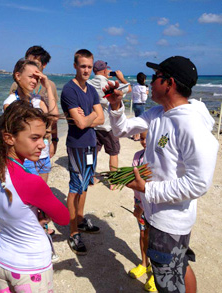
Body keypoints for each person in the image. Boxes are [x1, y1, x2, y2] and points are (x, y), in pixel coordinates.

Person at [106, 56, 219, 293]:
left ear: (169, 83)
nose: (149, 82)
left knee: (167, 280)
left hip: (171, 221)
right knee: (179, 264)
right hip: (155, 212)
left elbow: (199, 183)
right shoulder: (158, 113)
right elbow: (121, 130)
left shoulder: (190, 125)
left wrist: (147, 189)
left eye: (156, 77)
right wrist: (116, 106)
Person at [0, 101, 70, 292]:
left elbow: (13, 212)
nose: (42, 145)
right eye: (34, 138)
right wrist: (44, 214)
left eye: (44, 137)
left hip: (1, 262)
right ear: (9, 138)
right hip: (31, 268)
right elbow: (64, 218)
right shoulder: (32, 182)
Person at [61, 49, 104, 255]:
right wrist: (90, 117)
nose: (86, 70)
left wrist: (86, 117)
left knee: (86, 184)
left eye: (89, 66)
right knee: (75, 187)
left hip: (90, 143)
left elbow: (102, 118)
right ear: (75, 66)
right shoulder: (70, 90)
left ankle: (80, 219)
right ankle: (73, 232)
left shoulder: (91, 89)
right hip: (77, 145)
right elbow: (78, 124)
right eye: (83, 66)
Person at [4, 58, 58, 184]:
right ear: (18, 76)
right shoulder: (10, 103)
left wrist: (48, 88)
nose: (34, 81)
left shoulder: (36, 100)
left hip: (42, 154)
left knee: (42, 190)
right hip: (25, 157)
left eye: (36, 78)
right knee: (30, 194)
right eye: (31, 77)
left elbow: (54, 117)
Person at [10, 46, 59, 157]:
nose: (31, 65)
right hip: (24, 144)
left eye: (35, 63)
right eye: (28, 62)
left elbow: (54, 118)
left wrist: (55, 141)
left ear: (44, 65)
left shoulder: (50, 85)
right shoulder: (16, 85)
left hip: (44, 141)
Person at [88, 60, 131, 178]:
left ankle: (90, 177)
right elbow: (129, 88)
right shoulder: (109, 83)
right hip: (108, 125)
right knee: (113, 153)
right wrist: (121, 78)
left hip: (94, 124)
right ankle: (114, 180)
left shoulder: (88, 83)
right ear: (105, 70)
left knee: (93, 153)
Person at [128, 131, 156, 292]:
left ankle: (157, 273)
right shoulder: (138, 156)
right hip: (141, 205)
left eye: (147, 138)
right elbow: (135, 182)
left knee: (155, 238)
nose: (144, 141)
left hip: (156, 207)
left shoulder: (159, 159)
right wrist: (138, 205)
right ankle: (144, 264)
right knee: (143, 233)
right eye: (142, 138)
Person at [132, 72, 149, 141]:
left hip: (135, 104)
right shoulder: (143, 87)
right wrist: (147, 93)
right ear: (143, 79)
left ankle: (134, 135)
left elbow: (132, 97)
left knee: (136, 119)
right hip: (140, 104)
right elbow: (144, 99)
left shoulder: (135, 86)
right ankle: (136, 136)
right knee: (140, 121)